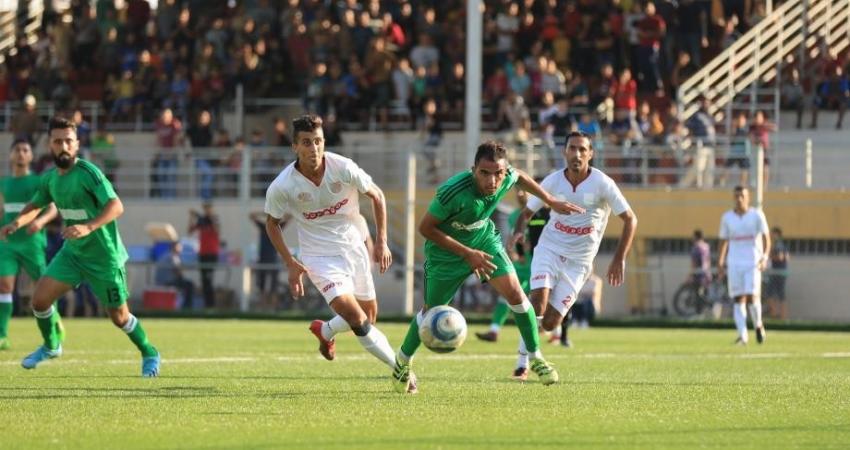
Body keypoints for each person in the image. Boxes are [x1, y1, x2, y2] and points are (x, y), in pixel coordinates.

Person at [393, 140, 586, 393]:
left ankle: (536, 357)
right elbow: (425, 228)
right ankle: (402, 362)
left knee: (516, 294)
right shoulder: (452, 192)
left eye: (498, 174)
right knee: (430, 311)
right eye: (484, 173)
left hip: (484, 241)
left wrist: (548, 199)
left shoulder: (506, 177)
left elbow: (520, 176)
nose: (492, 181)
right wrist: (466, 254)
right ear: (474, 170)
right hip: (445, 254)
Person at [0, 117, 160, 376]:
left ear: (76, 144)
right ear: (50, 145)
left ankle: (149, 352)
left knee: (119, 317)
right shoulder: (50, 179)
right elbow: (35, 204)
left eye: (68, 141)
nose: (63, 146)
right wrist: (16, 223)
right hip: (73, 254)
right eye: (57, 141)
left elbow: (116, 205)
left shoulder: (88, 173)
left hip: (104, 257)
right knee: (40, 300)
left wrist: (89, 226)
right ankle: (51, 346)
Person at [264, 114, 399, 388]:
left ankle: (325, 330)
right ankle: (401, 370)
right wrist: (290, 262)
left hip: (354, 248)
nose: (314, 148)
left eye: (318, 141)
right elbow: (272, 223)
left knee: (369, 317)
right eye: (306, 142)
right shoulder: (282, 185)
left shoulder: (343, 167)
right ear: (295, 147)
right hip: (319, 258)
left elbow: (377, 195)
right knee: (358, 319)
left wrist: (382, 241)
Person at [510, 131, 637, 377]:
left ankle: (533, 339)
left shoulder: (602, 183)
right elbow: (526, 213)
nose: (576, 154)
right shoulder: (553, 181)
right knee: (537, 304)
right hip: (549, 249)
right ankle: (522, 363)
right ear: (564, 152)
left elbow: (630, 219)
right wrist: (517, 232)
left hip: (579, 263)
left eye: (582, 149)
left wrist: (619, 258)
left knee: (550, 323)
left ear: (591, 154)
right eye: (572, 148)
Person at [0, 140, 58, 350]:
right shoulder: (4, 183)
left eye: (25, 150)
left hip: (32, 242)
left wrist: (40, 222)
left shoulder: (38, 181)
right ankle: (2, 335)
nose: (21, 153)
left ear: (31, 156)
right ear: (10, 155)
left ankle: (55, 324)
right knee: (4, 286)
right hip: (8, 242)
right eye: (17, 150)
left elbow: (52, 209)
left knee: (44, 287)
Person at [475, 188, 549, 343]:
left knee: (541, 299)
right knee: (507, 296)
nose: (520, 194)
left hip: (540, 264)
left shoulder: (543, 213)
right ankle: (494, 330)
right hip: (521, 265)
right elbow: (513, 238)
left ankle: (554, 333)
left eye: (524, 191)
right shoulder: (514, 216)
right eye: (517, 191)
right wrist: (513, 252)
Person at [717, 186, 771, 345]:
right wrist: (720, 261)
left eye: (742, 195)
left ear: (748, 197)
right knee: (738, 298)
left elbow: (767, 238)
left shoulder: (757, 215)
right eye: (736, 196)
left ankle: (758, 325)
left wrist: (765, 257)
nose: (739, 199)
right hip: (734, 262)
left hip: (753, 262)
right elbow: (723, 240)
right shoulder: (727, 217)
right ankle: (743, 336)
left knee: (752, 296)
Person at [188, 202, 220, 309]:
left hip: (212, 254)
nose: (207, 210)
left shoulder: (214, 219)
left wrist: (208, 218)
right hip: (203, 254)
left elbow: (217, 230)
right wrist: (192, 217)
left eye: (208, 208)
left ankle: (211, 305)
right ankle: (207, 304)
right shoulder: (201, 220)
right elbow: (190, 231)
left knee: (209, 279)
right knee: (204, 280)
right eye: (205, 208)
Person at [250, 211, 284, 311]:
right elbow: (251, 215)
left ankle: (273, 308)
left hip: (273, 259)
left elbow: (289, 216)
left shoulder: (278, 226)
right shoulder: (263, 226)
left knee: (274, 286)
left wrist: (275, 214)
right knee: (262, 286)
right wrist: (265, 214)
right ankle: (262, 307)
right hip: (263, 259)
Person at [153, 241, 195, 310]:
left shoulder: (164, 255)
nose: (181, 249)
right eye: (179, 247)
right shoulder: (173, 256)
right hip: (167, 283)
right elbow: (178, 272)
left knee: (184, 283)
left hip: (160, 282)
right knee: (189, 285)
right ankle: (187, 307)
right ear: (174, 247)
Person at [765, 227, 789, 320]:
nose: (771, 235)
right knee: (780, 295)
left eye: (772, 233)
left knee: (770, 293)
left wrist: (768, 256)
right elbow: (787, 257)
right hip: (781, 272)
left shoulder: (778, 245)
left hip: (777, 272)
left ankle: (777, 314)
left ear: (777, 234)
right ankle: (779, 315)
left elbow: (780, 257)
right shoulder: (782, 244)